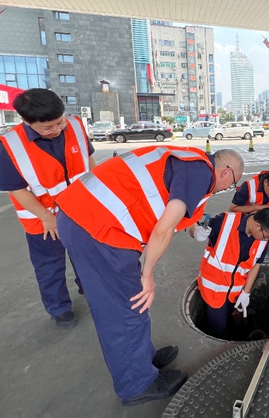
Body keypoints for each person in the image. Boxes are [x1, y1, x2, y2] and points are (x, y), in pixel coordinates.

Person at [55, 147, 244, 406]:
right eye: (231, 184)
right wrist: (148, 273)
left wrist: (191, 229)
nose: (226, 189)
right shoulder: (202, 173)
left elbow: (166, 206)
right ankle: (137, 384)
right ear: (225, 172)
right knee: (127, 309)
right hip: (98, 229)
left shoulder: (189, 160)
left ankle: (142, 358)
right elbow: (163, 229)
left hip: (86, 216)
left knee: (133, 305)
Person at [0, 88, 95, 329]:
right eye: (47, 128)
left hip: (80, 210)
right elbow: (16, 189)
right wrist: (46, 216)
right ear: (26, 121)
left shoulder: (75, 126)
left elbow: (88, 161)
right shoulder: (10, 147)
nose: (56, 130)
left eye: (59, 122)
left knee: (86, 254)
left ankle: (87, 286)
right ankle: (59, 308)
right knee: (50, 266)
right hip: (42, 220)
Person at [194, 208, 269, 339]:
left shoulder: (262, 240)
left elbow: (256, 264)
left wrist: (246, 292)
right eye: (266, 236)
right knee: (219, 330)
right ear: (257, 226)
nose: (266, 240)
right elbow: (195, 225)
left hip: (236, 292)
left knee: (235, 322)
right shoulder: (224, 222)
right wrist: (196, 232)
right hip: (214, 291)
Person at [229, 168, 269, 247]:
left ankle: (268, 237)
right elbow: (233, 208)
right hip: (249, 215)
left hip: (266, 213)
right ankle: (248, 240)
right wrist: (257, 208)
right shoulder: (248, 186)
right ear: (266, 182)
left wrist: (267, 210)